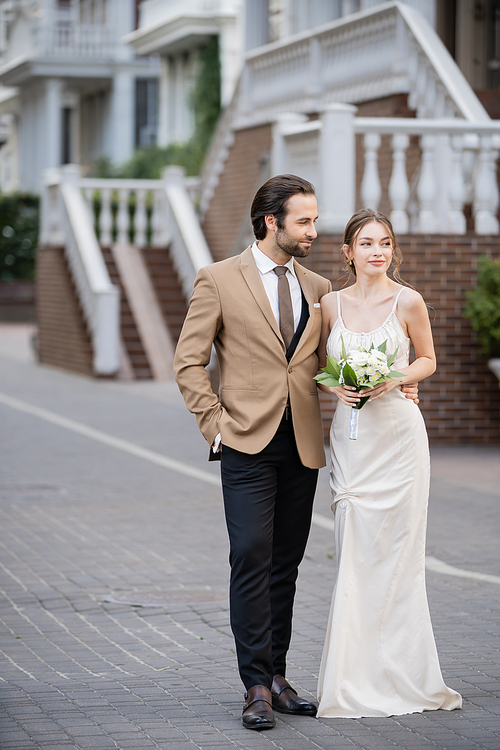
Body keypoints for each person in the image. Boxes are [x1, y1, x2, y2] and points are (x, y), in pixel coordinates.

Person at [174, 177, 418, 731]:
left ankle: (278, 678)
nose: (314, 230)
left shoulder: (319, 287)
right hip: (244, 441)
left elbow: (326, 362)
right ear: (271, 222)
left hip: (303, 443)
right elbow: (189, 362)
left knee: (286, 561)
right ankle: (254, 684)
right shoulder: (217, 280)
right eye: (304, 221)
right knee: (252, 552)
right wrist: (215, 426)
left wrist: (392, 380)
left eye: (313, 220)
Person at [316, 208, 462, 718]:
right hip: (352, 439)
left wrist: (396, 377)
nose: (377, 251)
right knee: (354, 548)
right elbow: (314, 366)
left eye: (384, 243)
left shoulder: (409, 300)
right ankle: (350, 679)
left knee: (398, 557)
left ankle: (402, 675)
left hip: (398, 437)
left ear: (391, 251)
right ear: (348, 252)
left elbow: (428, 359)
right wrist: (337, 385)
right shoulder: (329, 305)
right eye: (366, 243)